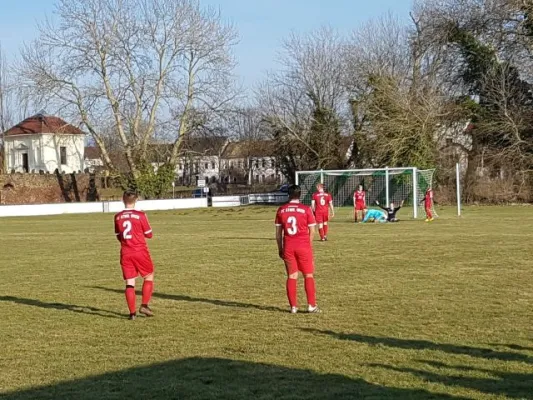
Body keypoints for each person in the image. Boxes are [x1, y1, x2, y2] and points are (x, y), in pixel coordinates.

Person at [275, 185, 320, 314]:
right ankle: (311, 305)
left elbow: (278, 234)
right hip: (303, 246)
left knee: (292, 276)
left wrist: (280, 248)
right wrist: (308, 245)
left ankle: (293, 307)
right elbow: (312, 230)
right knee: (308, 275)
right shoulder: (306, 209)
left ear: (288, 195)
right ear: (300, 195)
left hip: (289, 246)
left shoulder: (281, 210)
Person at [114, 190, 155, 320]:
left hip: (126, 252)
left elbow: (119, 236)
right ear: (136, 200)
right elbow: (149, 234)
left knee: (129, 282)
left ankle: (132, 313)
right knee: (149, 276)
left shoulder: (117, 217)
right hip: (140, 251)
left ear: (122, 199)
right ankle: (144, 305)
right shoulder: (141, 215)